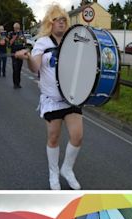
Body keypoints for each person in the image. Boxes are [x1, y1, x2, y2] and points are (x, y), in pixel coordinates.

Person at [15, 5, 83, 190]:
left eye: (64, 19)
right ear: (50, 23)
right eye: (57, 19)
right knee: (54, 137)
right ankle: (53, 173)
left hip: (71, 97)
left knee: (77, 136)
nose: (61, 22)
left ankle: (67, 169)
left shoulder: (73, 42)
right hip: (52, 99)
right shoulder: (42, 43)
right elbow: (35, 67)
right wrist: (28, 57)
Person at [8, 22, 25, 88]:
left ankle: (18, 83)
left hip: (21, 53)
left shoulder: (21, 33)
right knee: (15, 69)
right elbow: (10, 43)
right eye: (16, 28)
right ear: (14, 28)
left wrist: (23, 38)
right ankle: (15, 83)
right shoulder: (11, 34)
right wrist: (15, 37)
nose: (17, 29)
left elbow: (25, 42)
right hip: (14, 53)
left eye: (18, 28)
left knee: (19, 68)